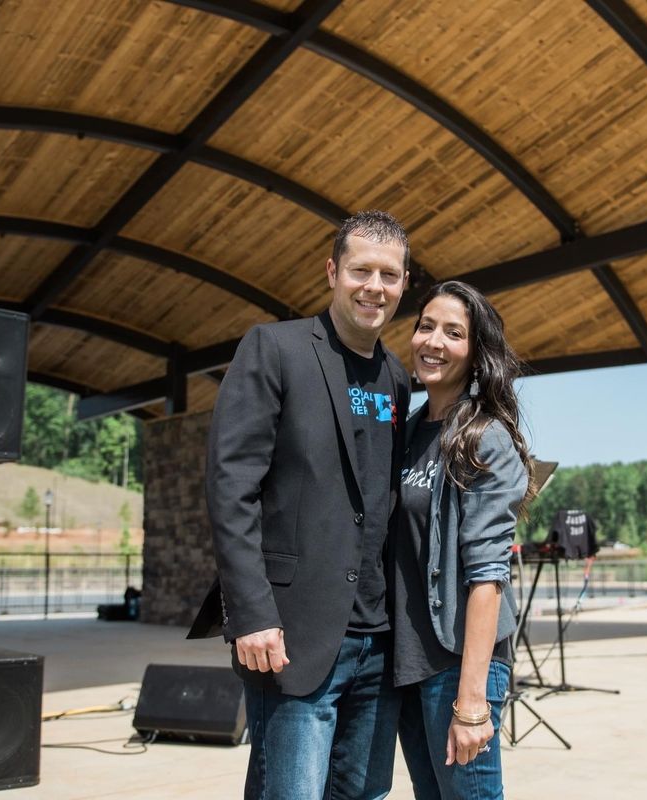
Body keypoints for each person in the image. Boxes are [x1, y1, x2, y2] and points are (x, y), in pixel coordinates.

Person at [198, 210, 412, 799]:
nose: (375, 287)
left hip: (379, 636)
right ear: (331, 272)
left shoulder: (396, 376)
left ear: (404, 284)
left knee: (363, 793)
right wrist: (252, 614)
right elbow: (230, 484)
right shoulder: (275, 348)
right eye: (361, 270)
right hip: (293, 633)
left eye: (389, 275)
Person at [391, 281, 535, 799]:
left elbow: (488, 577)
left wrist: (472, 701)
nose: (434, 341)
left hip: (457, 669)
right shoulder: (407, 434)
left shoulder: (484, 438)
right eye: (426, 326)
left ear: (476, 355)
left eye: (454, 333)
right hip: (408, 667)